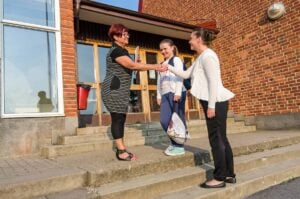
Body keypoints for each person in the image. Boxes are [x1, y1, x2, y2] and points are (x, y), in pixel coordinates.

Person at [166, 27, 236, 188]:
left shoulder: (208, 56)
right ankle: (229, 175)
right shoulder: (200, 58)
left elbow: (214, 82)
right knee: (221, 139)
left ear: (198, 39)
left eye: (191, 38)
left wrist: (211, 106)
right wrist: (167, 67)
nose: (189, 41)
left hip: (215, 102)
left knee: (216, 139)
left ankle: (219, 178)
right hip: (214, 102)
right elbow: (185, 75)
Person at [101, 24, 166, 161]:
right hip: (114, 89)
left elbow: (132, 66)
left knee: (121, 118)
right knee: (118, 117)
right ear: (115, 36)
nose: (127, 36)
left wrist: (136, 63)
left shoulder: (123, 51)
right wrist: (155, 66)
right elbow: (131, 65)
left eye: (127, 34)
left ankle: (121, 148)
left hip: (121, 90)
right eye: (124, 34)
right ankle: (121, 151)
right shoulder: (116, 51)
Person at [157, 39, 187, 156]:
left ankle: (179, 146)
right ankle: (175, 143)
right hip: (165, 94)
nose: (163, 51)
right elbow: (159, 81)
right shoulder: (161, 64)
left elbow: (180, 76)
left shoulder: (176, 60)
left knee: (177, 120)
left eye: (165, 48)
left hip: (176, 93)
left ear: (172, 48)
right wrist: (159, 95)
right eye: (161, 50)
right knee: (164, 121)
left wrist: (178, 92)